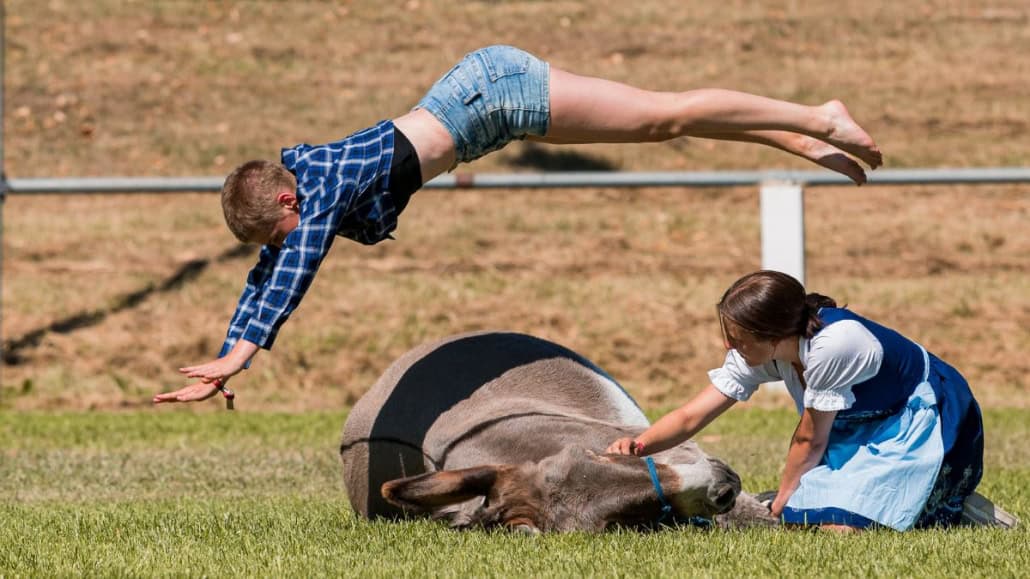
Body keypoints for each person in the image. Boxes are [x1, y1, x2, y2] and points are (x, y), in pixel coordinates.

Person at [153, 45, 883, 405]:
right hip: (488, 103)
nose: (286, 244)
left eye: (281, 232)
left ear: (285, 205)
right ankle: (797, 135)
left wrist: (244, 353)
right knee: (666, 121)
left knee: (666, 112)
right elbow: (271, 271)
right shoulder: (307, 189)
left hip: (494, 94)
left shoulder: (325, 186)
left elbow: (299, 258)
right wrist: (225, 350)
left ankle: (817, 114)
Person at [607, 270, 983, 531]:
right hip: (860, 426)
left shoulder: (835, 345)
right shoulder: (764, 350)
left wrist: (781, 504)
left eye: (737, 337)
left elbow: (809, 440)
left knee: (837, 526)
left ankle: (956, 505)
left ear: (772, 334)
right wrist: (639, 446)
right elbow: (691, 416)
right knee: (812, 519)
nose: (728, 346)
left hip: (918, 421)